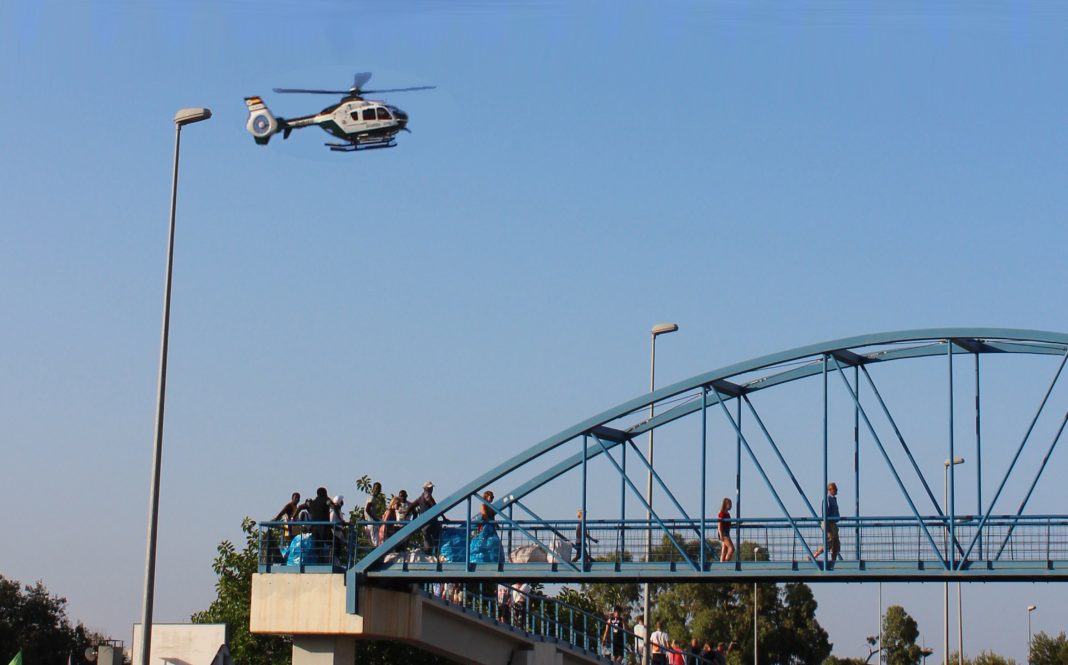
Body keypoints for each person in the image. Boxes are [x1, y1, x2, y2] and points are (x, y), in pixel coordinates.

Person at [409, 481, 442, 553]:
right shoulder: (428, 497)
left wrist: (406, 517)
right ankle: (436, 556)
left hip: (424, 524)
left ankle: (429, 555)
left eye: (431, 488)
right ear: (425, 488)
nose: (431, 489)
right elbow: (436, 507)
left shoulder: (420, 498)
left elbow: (411, 506)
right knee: (437, 541)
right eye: (430, 488)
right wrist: (444, 518)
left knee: (428, 543)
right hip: (432, 523)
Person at [812, 482, 841, 562]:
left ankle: (833, 561)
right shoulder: (828, 499)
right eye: (835, 489)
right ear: (830, 490)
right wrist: (826, 523)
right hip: (828, 523)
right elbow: (825, 513)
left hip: (833, 523)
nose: (837, 491)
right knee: (829, 542)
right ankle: (814, 556)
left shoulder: (833, 499)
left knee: (835, 543)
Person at [364, 482, 383, 546]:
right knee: (375, 543)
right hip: (372, 522)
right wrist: (375, 519)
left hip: (371, 522)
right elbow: (367, 509)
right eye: (376, 489)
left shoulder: (372, 498)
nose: (377, 491)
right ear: (373, 489)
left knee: (375, 541)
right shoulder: (372, 498)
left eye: (378, 489)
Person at [329, 495, 346, 564]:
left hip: (339, 535)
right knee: (335, 550)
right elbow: (332, 525)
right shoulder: (333, 513)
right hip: (335, 534)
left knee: (338, 551)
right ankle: (335, 563)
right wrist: (341, 529)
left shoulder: (339, 512)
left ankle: (337, 563)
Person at [718, 497, 735, 562]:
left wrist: (736, 524)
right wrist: (721, 534)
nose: (731, 506)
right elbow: (719, 525)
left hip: (727, 532)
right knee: (731, 548)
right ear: (726, 504)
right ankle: (726, 562)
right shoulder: (722, 513)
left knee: (724, 549)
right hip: (723, 533)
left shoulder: (727, 514)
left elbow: (728, 524)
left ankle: (721, 563)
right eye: (730, 504)